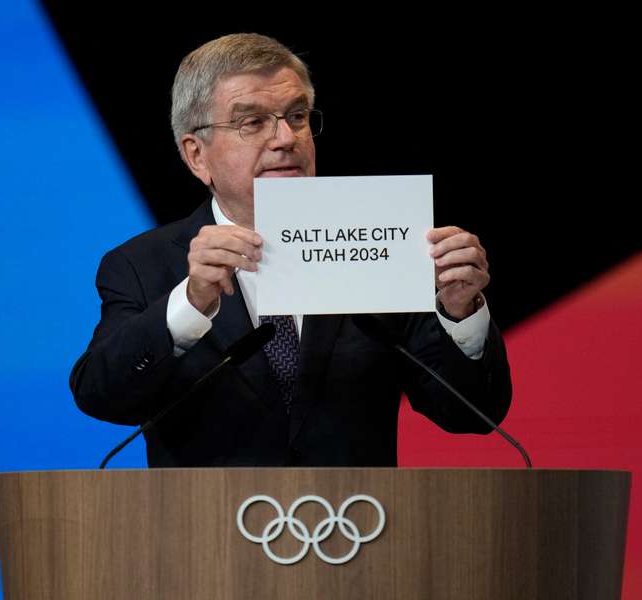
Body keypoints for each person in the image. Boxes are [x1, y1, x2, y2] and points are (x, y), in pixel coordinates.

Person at [70, 33, 512, 467]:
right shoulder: (141, 266)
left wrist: (460, 312)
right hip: (205, 530)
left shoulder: (378, 244)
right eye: (252, 122)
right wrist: (189, 302)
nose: (285, 138)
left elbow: (469, 414)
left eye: (297, 116)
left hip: (360, 526)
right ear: (196, 155)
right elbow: (102, 395)